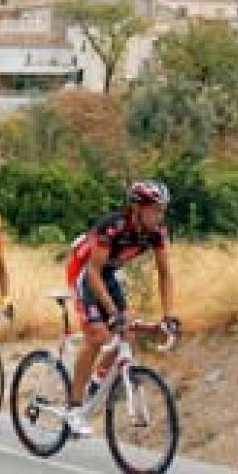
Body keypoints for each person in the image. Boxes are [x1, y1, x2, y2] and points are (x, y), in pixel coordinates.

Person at [63, 180, 179, 437]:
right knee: (97, 336)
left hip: (108, 275)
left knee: (127, 332)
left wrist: (169, 315)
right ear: (137, 209)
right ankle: (73, 408)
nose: (160, 216)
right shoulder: (112, 227)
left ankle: (95, 383)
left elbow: (165, 274)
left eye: (163, 210)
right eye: (155, 210)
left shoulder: (156, 233)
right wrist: (113, 313)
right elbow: (92, 273)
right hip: (84, 271)